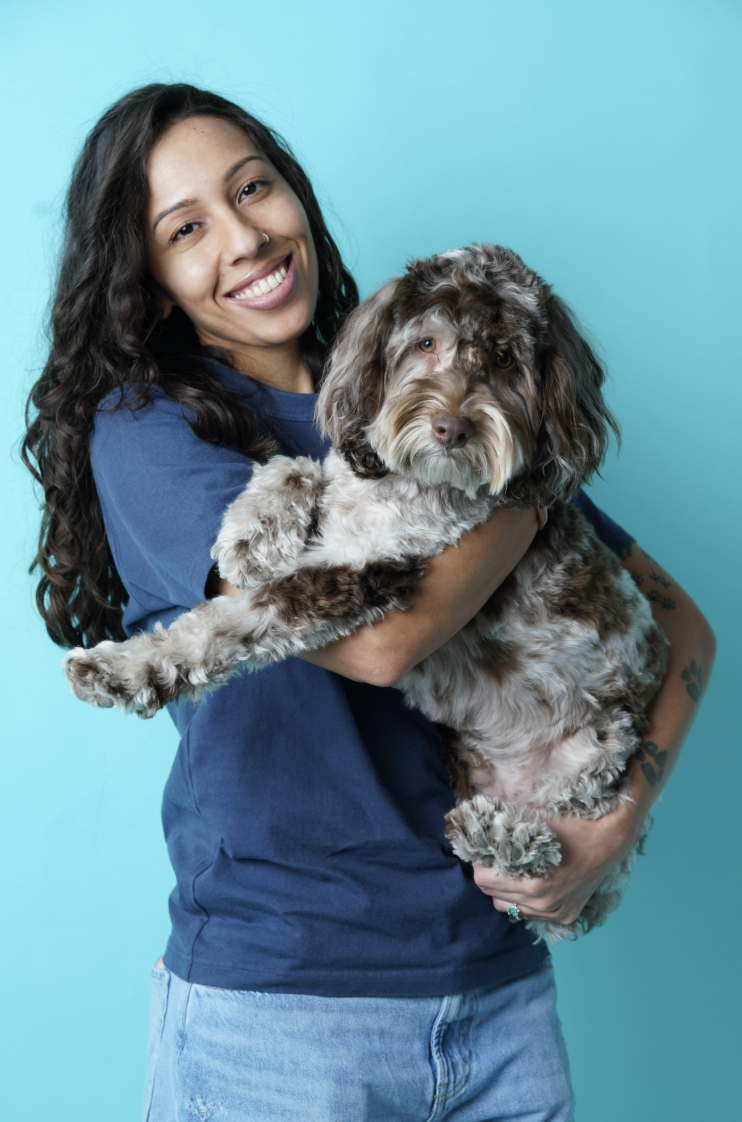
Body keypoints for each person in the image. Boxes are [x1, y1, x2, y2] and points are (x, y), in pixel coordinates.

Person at [23, 84, 715, 1122]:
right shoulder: (150, 432)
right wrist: (523, 488)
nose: (245, 238)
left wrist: (613, 825)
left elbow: (684, 625)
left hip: (499, 994)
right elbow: (382, 640)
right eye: (186, 229)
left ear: (295, 195)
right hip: (282, 1008)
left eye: (253, 188)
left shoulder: (427, 378)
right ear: (151, 283)